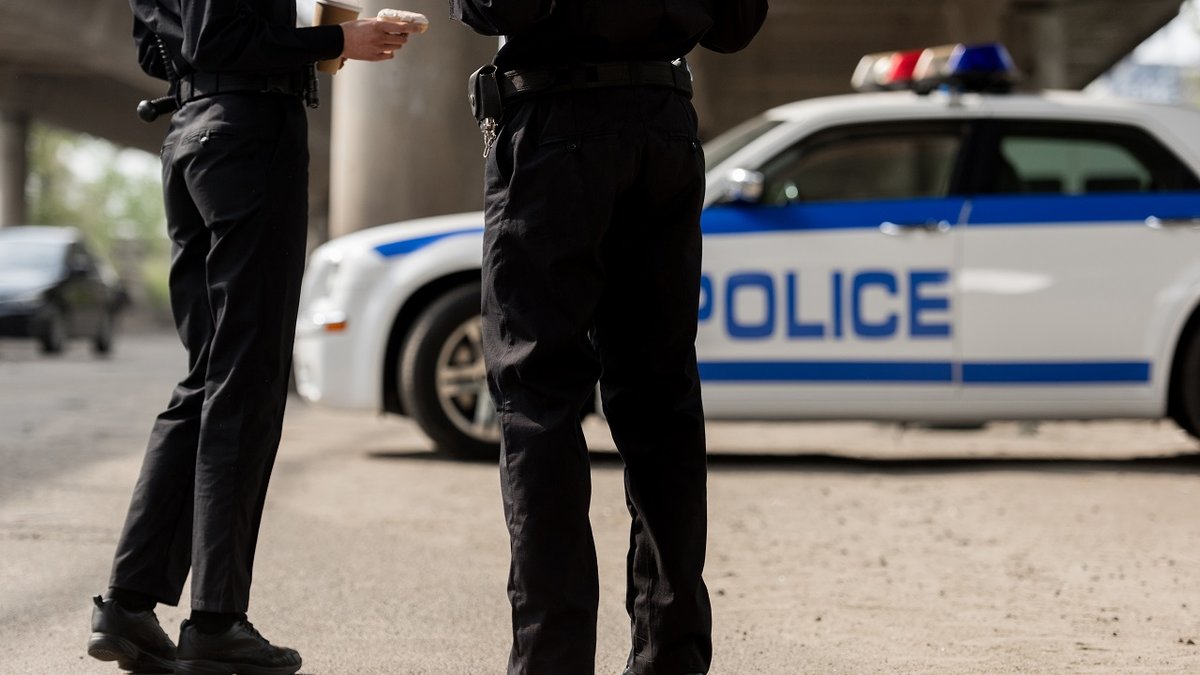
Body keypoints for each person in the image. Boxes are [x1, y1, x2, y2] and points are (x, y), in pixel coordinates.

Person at [86, 2, 409, 674]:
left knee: (207, 379)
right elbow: (219, 37)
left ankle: (128, 604)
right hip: (249, 141)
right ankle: (215, 620)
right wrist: (336, 37)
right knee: (245, 382)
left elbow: (157, 49)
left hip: (192, 136)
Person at [450, 2, 768, 674]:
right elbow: (738, 24)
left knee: (539, 400)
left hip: (558, 123)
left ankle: (553, 661)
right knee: (662, 401)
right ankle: (671, 657)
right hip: (665, 128)